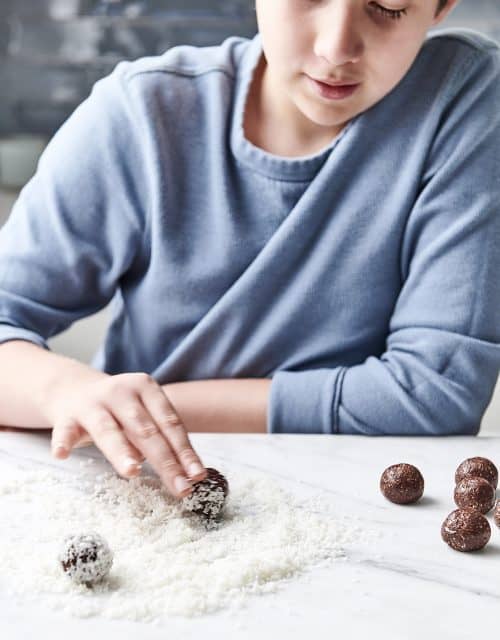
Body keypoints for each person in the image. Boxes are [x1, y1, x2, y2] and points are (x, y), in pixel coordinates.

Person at [0, 0, 499, 501]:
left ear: (441, 7)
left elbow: (436, 393)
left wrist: (154, 410)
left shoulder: (463, 97)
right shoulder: (142, 114)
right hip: (140, 491)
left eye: (388, 7)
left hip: (355, 500)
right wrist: (70, 394)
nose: (336, 48)